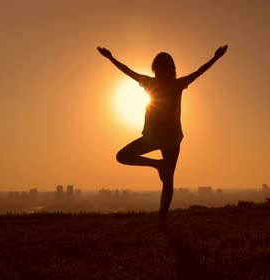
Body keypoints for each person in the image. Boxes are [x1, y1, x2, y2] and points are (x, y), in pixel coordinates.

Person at [98, 45, 228, 221]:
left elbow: (199, 72)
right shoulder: (164, 83)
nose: (165, 71)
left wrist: (216, 58)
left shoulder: (170, 84)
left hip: (168, 139)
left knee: (168, 180)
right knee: (124, 157)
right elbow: (128, 71)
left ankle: (162, 217)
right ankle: (158, 166)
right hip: (159, 138)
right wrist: (110, 58)